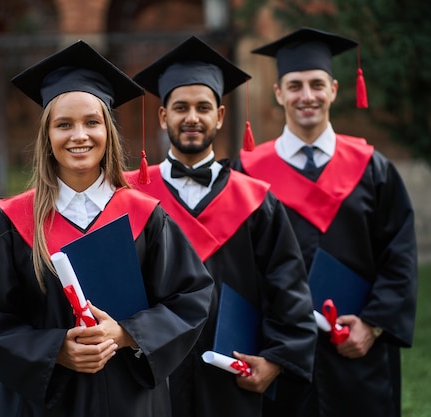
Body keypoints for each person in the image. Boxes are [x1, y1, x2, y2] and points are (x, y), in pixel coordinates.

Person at [0, 40, 214, 417]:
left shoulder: (145, 215)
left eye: (92, 122)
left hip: (130, 400)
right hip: (45, 403)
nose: (79, 136)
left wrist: (125, 334)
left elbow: (191, 298)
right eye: (64, 125)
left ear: (108, 131)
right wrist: (54, 349)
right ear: (47, 136)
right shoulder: (15, 221)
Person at [126, 36, 317, 417]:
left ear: (220, 116)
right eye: (180, 108)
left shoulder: (256, 199)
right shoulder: (130, 195)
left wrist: (277, 359)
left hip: (233, 372)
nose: (192, 118)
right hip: (151, 374)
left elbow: (288, 286)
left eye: (203, 107)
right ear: (163, 117)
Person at [233, 27, 418, 417]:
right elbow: (237, 270)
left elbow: (399, 255)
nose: (307, 96)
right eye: (295, 85)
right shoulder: (249, 174)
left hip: (356, 348)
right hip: (278, 353)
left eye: (317, 84)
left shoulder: (372, 168)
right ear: (278, 93)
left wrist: (373, 324)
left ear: (333, 89)